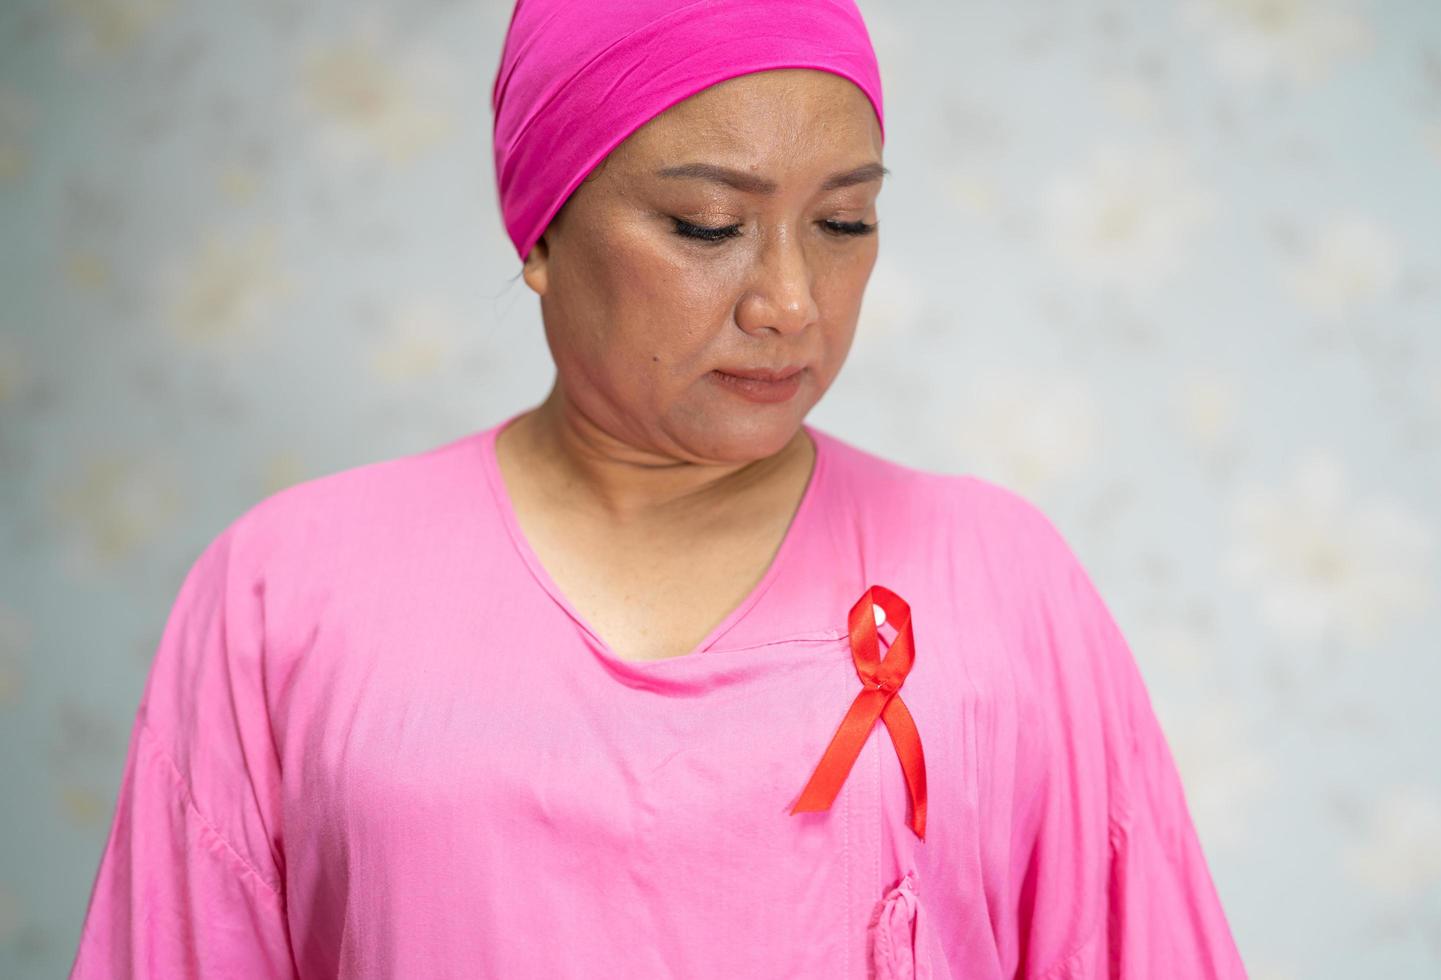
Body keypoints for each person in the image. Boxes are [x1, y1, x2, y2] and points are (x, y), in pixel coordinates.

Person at [68, 1, 1250, 977]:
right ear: (539, 233)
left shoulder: (998, 575)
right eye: (707, 223)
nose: (790, 299)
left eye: (845, 220)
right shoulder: (286, 590)